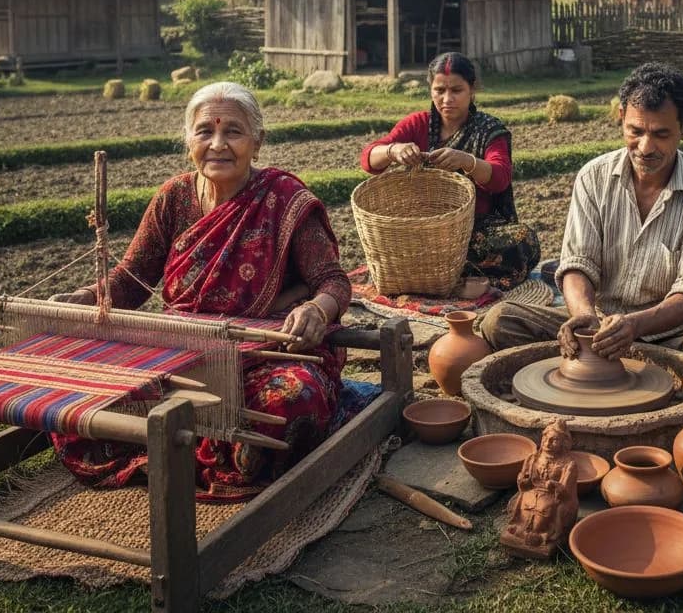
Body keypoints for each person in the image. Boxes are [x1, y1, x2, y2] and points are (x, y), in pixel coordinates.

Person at [50, 81, 351, 500]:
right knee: (78, 394)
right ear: (188, 140)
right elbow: (131, 278)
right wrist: (87, 296)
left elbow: (333, 281)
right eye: (204, 132)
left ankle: (185, 455)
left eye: (233, 132)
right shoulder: (172, 198)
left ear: (257, 142)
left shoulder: (284, 198)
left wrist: (318, 310)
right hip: (179, 352)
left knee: (290, 404)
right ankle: (188, 453)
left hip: (263, 351)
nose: (218, 144)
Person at [480, 62, 683, 371]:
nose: (645, 147)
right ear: (621, 119)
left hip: (672, 335)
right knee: (500, 320)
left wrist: (634, 327)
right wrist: (584, 316)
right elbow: (577, 264)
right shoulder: (594, 177)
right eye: (635, 131)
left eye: (661, 134)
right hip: (597, 327)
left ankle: (634, 361)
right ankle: (642, 366)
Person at [360, 52, 540, 293]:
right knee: (389, 241)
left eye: (456, 90)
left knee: (523, 241)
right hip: (421, 230)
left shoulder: (489, 131)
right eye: (439, 90)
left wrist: (468, 161)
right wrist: (393, 150)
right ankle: (453, 281)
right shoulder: (418, 124)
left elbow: (500, 177)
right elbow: (369, 159)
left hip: (471, 233)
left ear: (472, 90)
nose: (447, 99)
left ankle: (442, 280)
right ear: (430, 90)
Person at [501, 418, 578, 558]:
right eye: (546, 439)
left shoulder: (569, 464)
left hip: (553, 497)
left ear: (564, 443)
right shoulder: (533, 458)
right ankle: (522, 529)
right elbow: (523, 482)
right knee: (525, 500)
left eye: (554, 440)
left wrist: (555, 486)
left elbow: (567, 491)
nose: (548, 443)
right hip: (532, 492)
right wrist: (522, 480)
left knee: (544, 508)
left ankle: (542, 534)